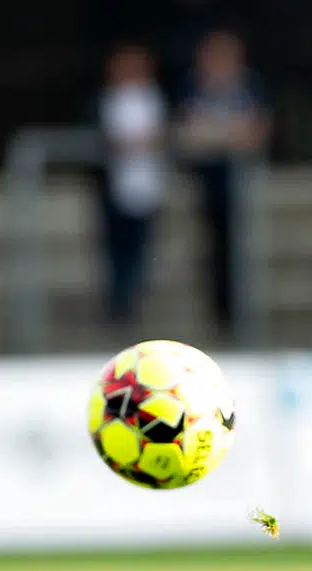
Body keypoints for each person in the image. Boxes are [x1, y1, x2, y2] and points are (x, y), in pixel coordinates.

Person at [174, 28, 270, 341]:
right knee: (211, 244)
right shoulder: (192, 86)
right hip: (207, 178)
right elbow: (187, 132)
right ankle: (220, 312)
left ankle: (238, 313)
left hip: (239, 179)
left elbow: (257, 130)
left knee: (237, 246)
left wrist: (217, 135)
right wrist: (227, 135)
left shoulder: (249, 86)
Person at [97, 43, 167, 328]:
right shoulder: (108, 99)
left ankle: (136, 298)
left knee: (142, 246)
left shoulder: (152, 98)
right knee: (116, 247)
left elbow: (159, 135)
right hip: (115, 187)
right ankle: (118, 303)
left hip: (146, 185)